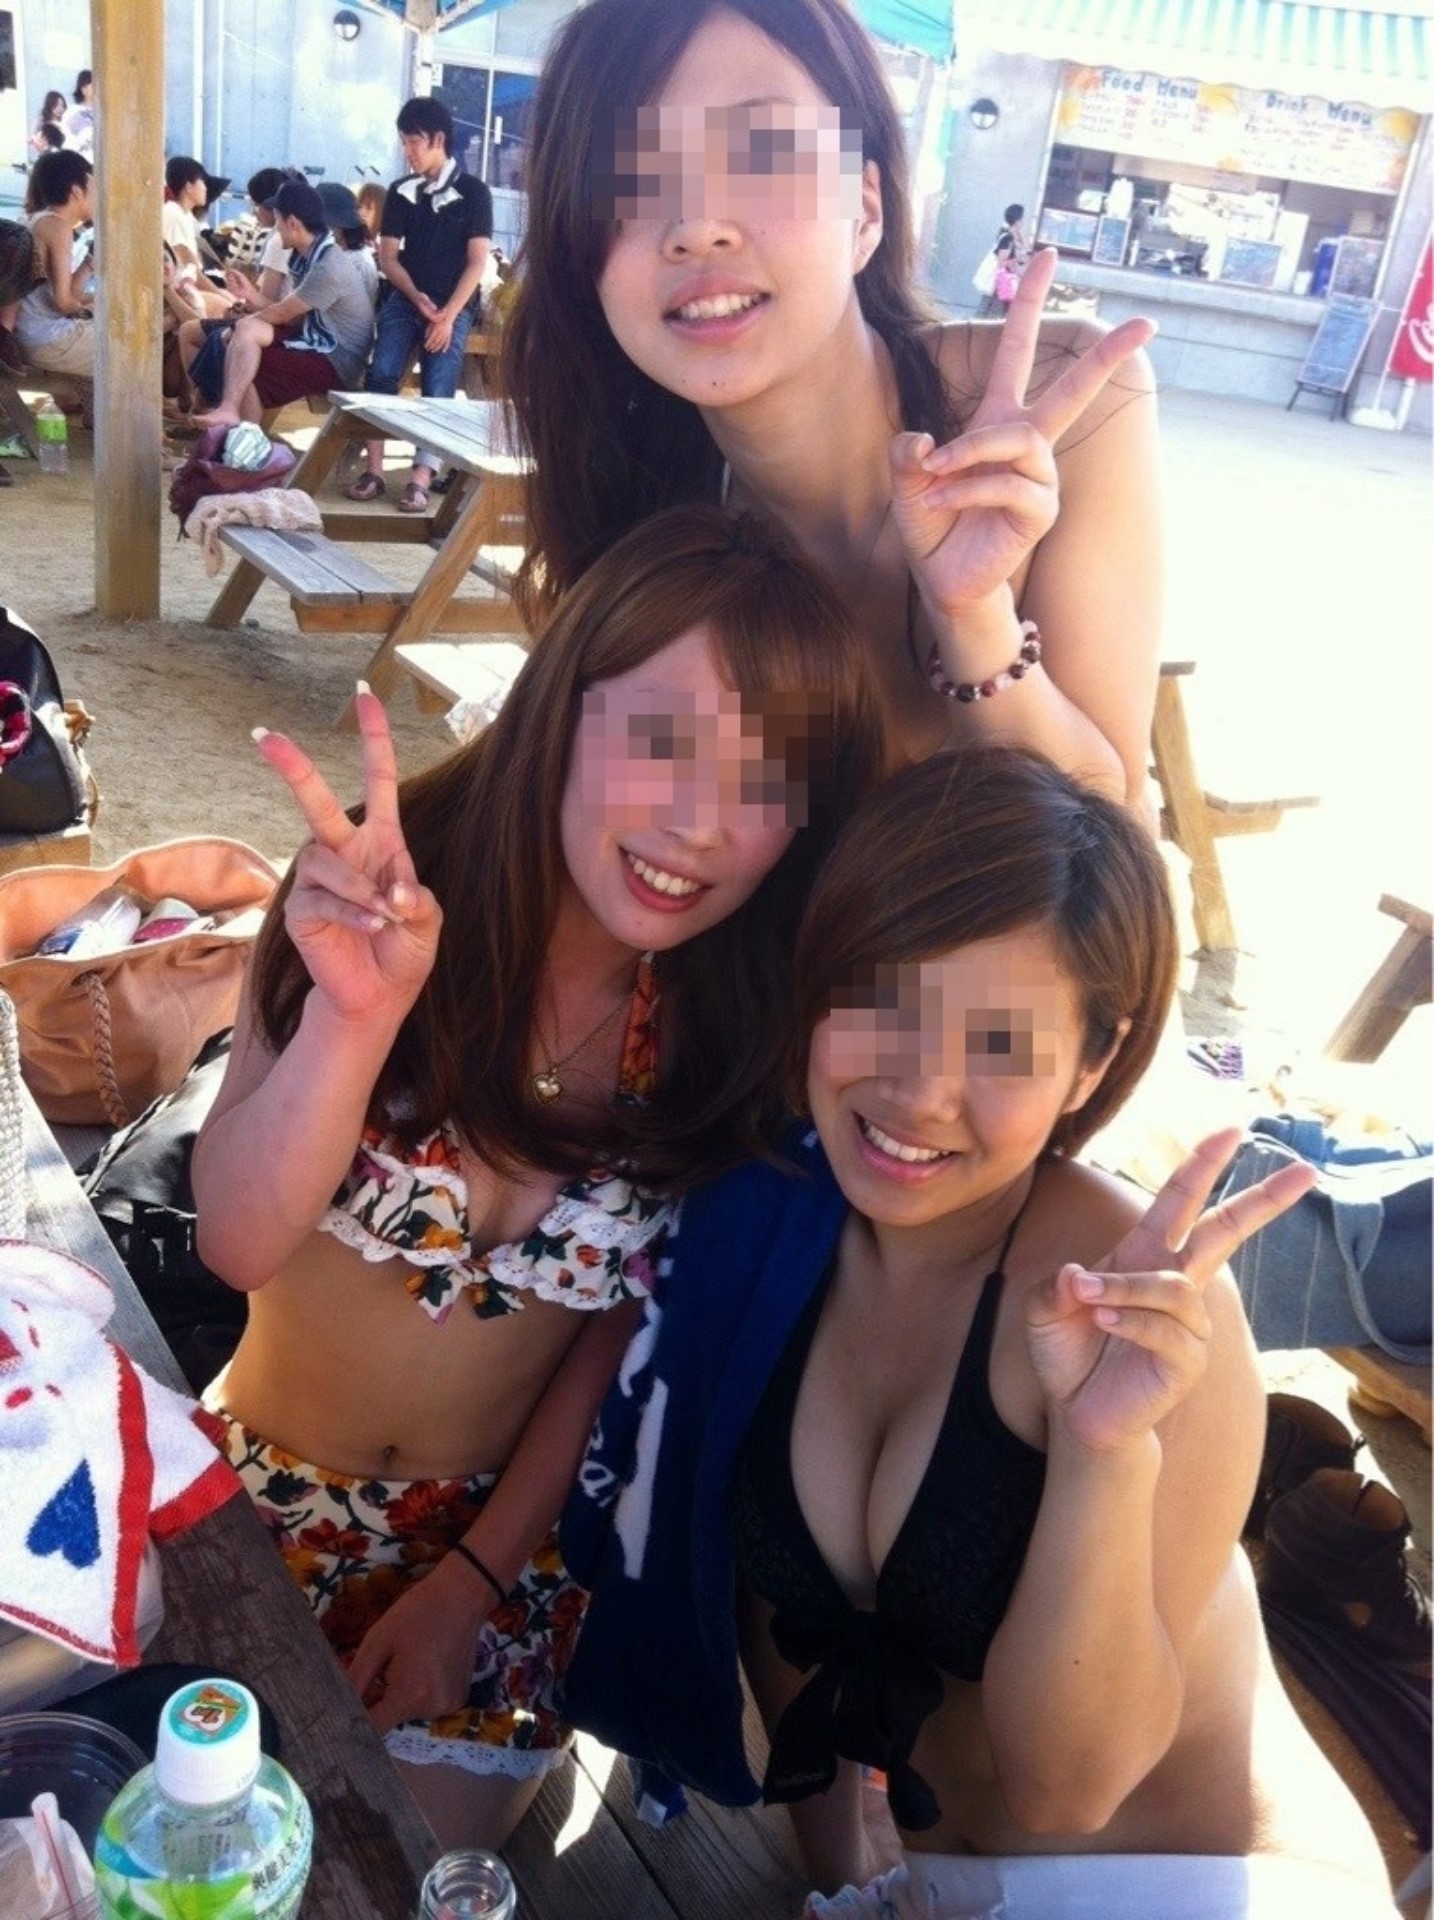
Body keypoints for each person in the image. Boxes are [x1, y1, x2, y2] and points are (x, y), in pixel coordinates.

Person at [562, 747, 1404, 1920]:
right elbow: (783, 1614)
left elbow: (1069, 1793)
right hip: (929, 1886)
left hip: (1189, 1885)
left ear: (1092, 1064)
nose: (919, 1095)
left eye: (1001, 1045)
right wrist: (840, 1880)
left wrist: (1106, 1450)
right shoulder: (771, 1234)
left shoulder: (1135, 1304)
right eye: (883, 1004)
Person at [190, 504, 885, 1851]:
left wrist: (469, 1581)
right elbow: (236, 1240)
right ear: (563, 707)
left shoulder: (728, 1030)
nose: (698, 826)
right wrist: (353, 1022)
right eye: (663, 741)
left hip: (499, 1555)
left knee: (389, 1876)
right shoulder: (371, 898)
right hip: (246, 1499)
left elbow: (615, 1332)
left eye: (765, 781)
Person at [505, 0, 1161, 808]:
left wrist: (973, 618)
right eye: (632, 178)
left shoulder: (1063, 403)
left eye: (761, 152)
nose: (697, 226)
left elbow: (1109, 836)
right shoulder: (635, 511)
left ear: (867, 210)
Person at [344, 95, 492, 513]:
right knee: (382, 371)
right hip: (407, 297)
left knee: (440, 380)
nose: (407, 151)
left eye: (413, 142)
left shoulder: (474, 192)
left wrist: (448, 316)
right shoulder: (399, 191)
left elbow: (477, 261)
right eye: (404, 142)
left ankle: (421, 478)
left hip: (453, 302)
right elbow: (388, 257)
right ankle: (374, 470)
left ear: (438, 140)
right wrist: (415, 297)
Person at [191, 177, 374, 428]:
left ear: (293, 223)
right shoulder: (309, 255)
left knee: (252, 363)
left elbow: (282, 315)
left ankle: (243, 441)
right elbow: (293, 316)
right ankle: (230, 415)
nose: (276, 229)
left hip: (339, 361)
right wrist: (249, 294)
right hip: (316, 341)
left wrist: (238, 325)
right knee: (245, 335)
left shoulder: (328, 266)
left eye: (277, 221)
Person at [13, 148, 95, 380]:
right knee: (129, 343)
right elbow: (63, 303)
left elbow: (66, 293)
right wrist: (87, 311)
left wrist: (90, 264)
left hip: (30, 334)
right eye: (95, 188)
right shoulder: (57, 227)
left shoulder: (38, 219)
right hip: (45, 340)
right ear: (77, 191)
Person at [163, 156, 232, 320]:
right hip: (180, 294)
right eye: (202, 182)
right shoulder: (174, 214)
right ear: (188, 186)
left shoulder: (183, 215)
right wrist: (224, 297)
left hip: (186, 291)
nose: (205, 188)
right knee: (231, 308)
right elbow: (190, 268)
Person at [61, 71, 95, 160]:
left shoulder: (103, 112)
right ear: (83, 89)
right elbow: (68, 140)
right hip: (80, 161)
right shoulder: (72, 112)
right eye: (93, 85)